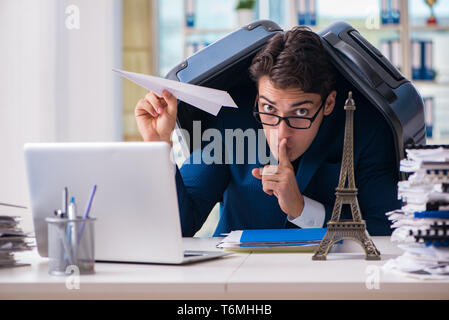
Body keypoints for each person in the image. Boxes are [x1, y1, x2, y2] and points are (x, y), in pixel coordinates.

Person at [134, 26, 401, 237]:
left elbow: (386, 230)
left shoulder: (366, 131)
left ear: (328, 103)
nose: (280, 134)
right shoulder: (232, 122)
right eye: (268, 109)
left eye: (300, 113)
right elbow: (180, 226)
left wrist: (302, 209)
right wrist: (160, 147)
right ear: (256, 100)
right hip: (237, 280)